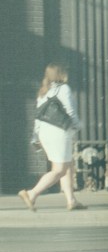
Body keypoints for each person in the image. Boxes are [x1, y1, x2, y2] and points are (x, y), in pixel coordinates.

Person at [19, 64, 83, 212]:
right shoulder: (63, 89)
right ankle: (31, 193)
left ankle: (71, 201)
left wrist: (35, 137)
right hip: (59, 132)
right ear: (61, 74)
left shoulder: (43, 91)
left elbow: (38, 117)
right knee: (59, 169)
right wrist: (78, 125)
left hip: (45, 132)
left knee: (67, 164)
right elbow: (70, 110)